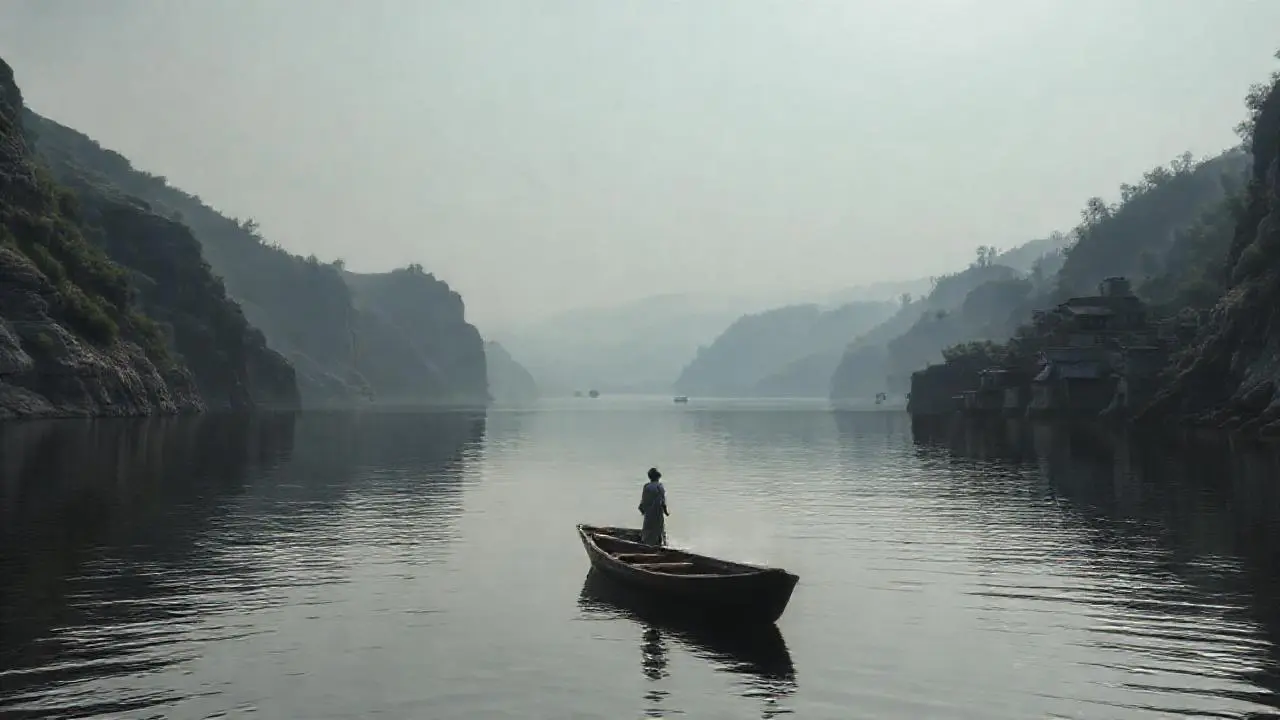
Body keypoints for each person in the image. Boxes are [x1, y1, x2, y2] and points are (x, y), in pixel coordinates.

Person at [638, 467, 669, 546]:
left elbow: (644, 500)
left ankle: (647, 545)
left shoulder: (647, 486)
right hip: (658, 512)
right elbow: (662, 502)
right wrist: (666, 512)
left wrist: (642, 509)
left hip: (649, 512)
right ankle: (661, 544)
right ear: (658, 477)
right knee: (659, 529)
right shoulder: (660, 487)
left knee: (648, 529)